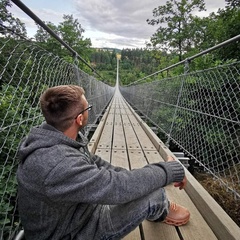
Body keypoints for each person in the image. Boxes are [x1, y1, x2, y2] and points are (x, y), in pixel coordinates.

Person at [17, 85, 190, 240]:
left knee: (140, 183)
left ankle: (159, 203)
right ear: (79, 119)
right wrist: (170, 171)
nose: (89, 111)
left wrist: (135, 177)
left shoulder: (57, 137)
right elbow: (118, 187)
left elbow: (96, 163)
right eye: (88, 108)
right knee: (153, 194)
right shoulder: (57, 164)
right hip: (72, 233)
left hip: (75, 214)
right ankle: (160, 206)